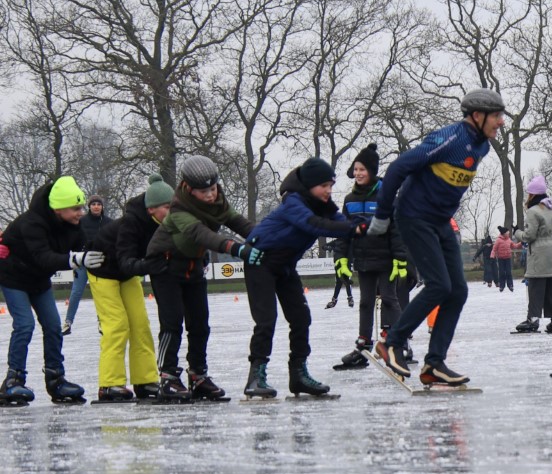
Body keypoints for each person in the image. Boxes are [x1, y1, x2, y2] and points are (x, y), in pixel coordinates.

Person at [368, 87, 505, 385]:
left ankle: (434, 365)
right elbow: (398, 167)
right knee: (439, 285)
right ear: (477, 116)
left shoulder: (482, 145)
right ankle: (392, 341)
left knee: (458, 291)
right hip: (414, 216)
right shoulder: (450, 138)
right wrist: (382, 214)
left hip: (441, 221)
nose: (501, 122)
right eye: (496, 116)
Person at [242, 157, 366, 398]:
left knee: (301, 318)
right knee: (266, 321)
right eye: (324, 186)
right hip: (260, 264)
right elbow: (314, 225)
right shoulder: (293, 203)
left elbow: (342, 223)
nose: (329, 191)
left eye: (331, 185)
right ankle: (255, 377)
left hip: (285, 266)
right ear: (309, 185)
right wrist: (352, 229)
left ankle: (298, 374)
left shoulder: (324, 204)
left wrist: (367, 228)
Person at [146, 155, 262, 401]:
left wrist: (264, 237)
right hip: (165, 266)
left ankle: (198, 375)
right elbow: (203, 235)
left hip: (192, 266)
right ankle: (168, 377)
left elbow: (238, 221)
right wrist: (238, 249)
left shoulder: (218, 201)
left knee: (200, 324)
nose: (210, 195)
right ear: (189, 188)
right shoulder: (178, 209)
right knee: (172, 323)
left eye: (212, 188)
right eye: (203, 191)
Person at [0, 176, 104, 403]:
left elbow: (88, 247)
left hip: (39, 281)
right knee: (25, 325)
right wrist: (75, 259)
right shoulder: (32, 223)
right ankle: (13, 380)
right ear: (58, 209)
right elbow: (44, 258)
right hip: (14, 277)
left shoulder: (73, 226)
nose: (80, 213)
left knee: (54, 326)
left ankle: (56, 379)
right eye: (75, 208)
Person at [86, 174, 174, 401]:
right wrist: (151, 265)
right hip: (103, 272)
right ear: (152, 209)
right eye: (167, 207)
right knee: (117, 325)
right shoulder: (130, 223)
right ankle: (109, 384)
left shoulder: (167, 223)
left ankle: (144, 381)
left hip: (128, 275)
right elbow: (126, 260)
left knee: (140, 325)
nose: (171, 211)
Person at [333, 143, 410, 370]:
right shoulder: (348, 199)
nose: (358, 174)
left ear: (372, 172)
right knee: (365, 302)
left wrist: (400, 258)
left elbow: (396, 229)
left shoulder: (386, 196)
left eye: (362, 170)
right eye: (356, 170)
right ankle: (364, 344)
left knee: (389, 298)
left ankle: (398, 342)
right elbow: (344, 231)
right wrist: (341, 259)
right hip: (363, 258)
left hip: (386, 258)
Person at [512, 175, 552, 333]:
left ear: (533, 195)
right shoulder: (550, 210)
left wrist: (517, 233)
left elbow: (530, 236)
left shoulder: (533, 211)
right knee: (550, 286)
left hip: (539, 251)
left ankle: (533, 319)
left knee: (535, 285)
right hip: (551, 250)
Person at [63, 194, 112, 335]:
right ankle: (68, 322)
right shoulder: (81, 221)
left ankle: (101, 321)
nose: (96, 207)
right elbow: (72, 238)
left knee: (100, 293)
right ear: (89, 206)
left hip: (99, 262)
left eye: (99, 204)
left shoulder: (108, 222)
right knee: (76, 292)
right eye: (93, 204)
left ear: (102, 207)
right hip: (83, 262)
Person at [491, 226, 516, 292]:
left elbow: (514, 246)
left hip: (508, 258)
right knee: (501, 272)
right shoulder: (498, 240)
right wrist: (492, 256)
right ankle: (502, 286)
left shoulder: (509, 239)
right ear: (504, 234)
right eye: (507, 233)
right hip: (501, 259)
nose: (508, 234)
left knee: (508, 272)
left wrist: (521, 244)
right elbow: (494, 249)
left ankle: (510, 285)